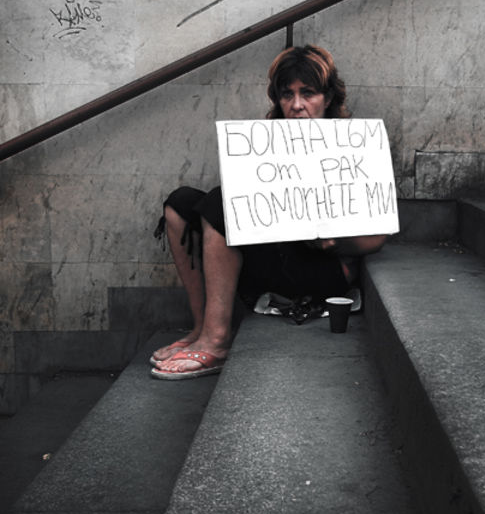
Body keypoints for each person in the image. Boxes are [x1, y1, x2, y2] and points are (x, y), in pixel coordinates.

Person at [150, 44, 387, 379]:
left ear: (328, 98)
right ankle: (201, 328)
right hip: (274, 258)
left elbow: (377, 239)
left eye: (308, 93)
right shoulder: (268, 142)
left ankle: (217, 342)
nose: (296, 105)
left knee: (219, 202)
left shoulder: (354, 146)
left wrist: (335, 241)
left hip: (324, 269)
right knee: (181, 203)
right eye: (287, 95)